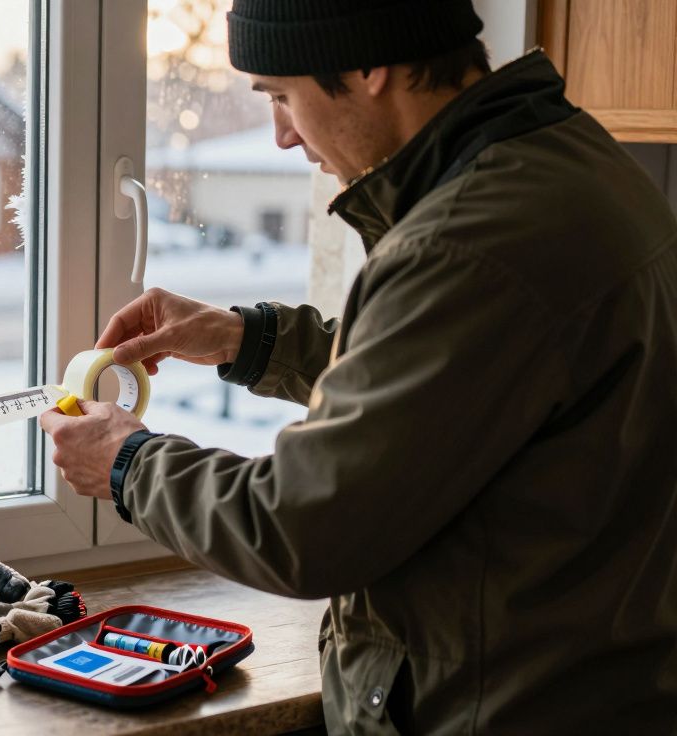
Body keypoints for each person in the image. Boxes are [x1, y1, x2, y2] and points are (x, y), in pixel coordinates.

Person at [40, 1, 677, 733]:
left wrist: (127, 465)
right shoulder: (567, 161)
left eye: (282, 95)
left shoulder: (467, 241)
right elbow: (453, 377)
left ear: (369, 67)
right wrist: (244, 339)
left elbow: (306, 528)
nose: (281, 134)